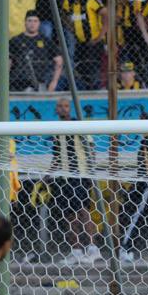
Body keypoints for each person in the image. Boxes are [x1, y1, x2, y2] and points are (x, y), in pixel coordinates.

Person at [49, 98, 100, 265]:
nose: (63, 109)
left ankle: (93, 249)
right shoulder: (56, 129)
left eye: (66, 106)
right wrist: (49, 173)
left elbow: (91, 148)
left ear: (70, 109)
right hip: (64, 178)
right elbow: (57, 155)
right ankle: (76, 251)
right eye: (60, 106)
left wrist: (91, 173)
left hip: (80, 174)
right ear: (56, 109)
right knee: (69, 216)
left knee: (83, 212)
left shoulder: (79, 125)